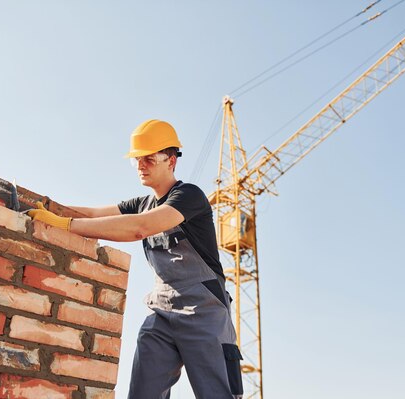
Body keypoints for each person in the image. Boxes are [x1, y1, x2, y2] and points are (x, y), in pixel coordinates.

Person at [28, 119, 244, 398]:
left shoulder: (188, 196)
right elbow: (93, 215)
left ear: (171, 160)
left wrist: (65, 225)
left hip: (205, 314)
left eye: (149, 159)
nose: (141, 166)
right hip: (163, 314)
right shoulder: (142, 204)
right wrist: (45, 207)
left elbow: (138, 228)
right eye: (137, 160)